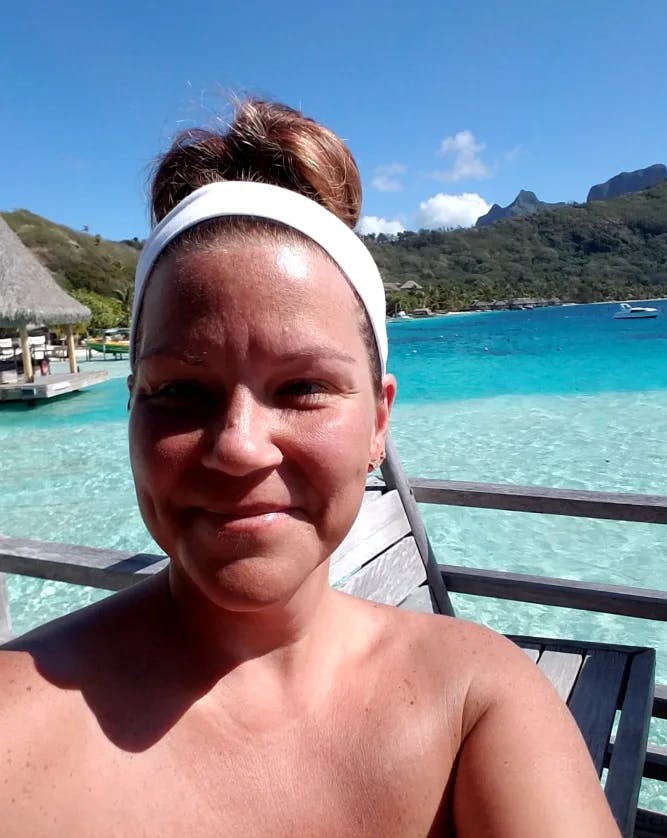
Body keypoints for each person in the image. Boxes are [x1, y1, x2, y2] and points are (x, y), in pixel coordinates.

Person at [0, 99, 619, 837]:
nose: (238, 446)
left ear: (379, 423)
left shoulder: (478, 706)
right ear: (132, 407)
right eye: (180, 392)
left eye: (301, 388)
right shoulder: (17, 733)